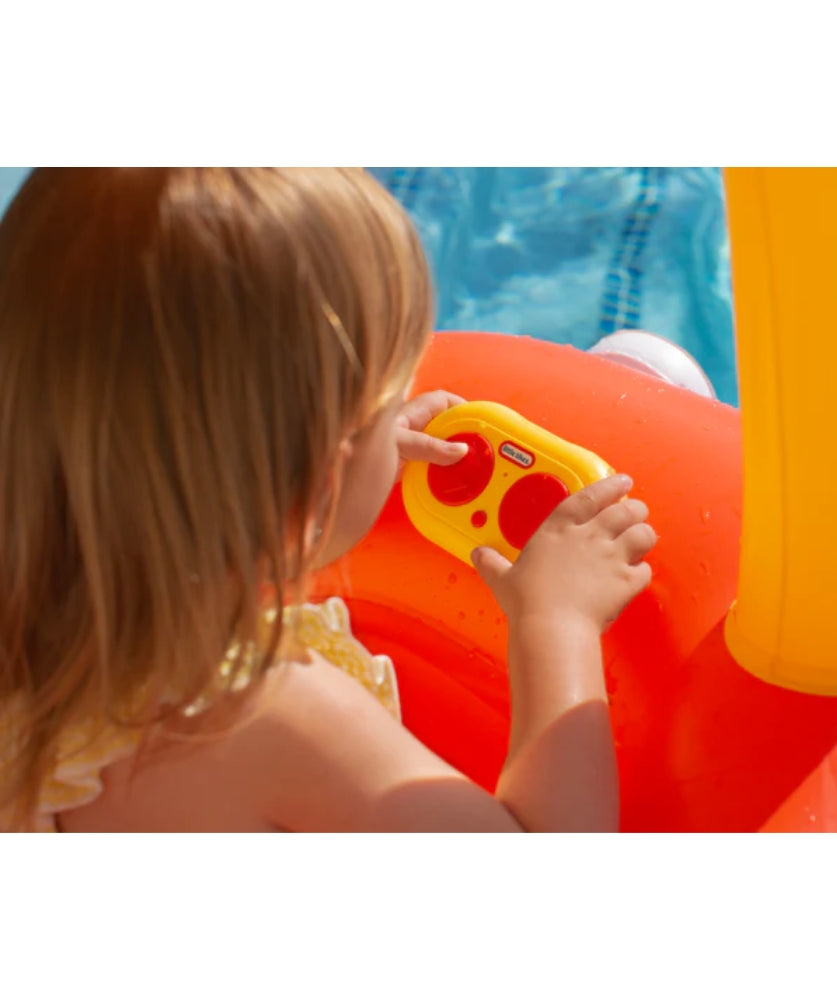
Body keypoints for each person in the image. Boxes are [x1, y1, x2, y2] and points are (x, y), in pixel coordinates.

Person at [0, 168, 656, 832]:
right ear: (317, 483)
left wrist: (340, 462)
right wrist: (555, 624)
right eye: (387, 405)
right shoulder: (266, 716)